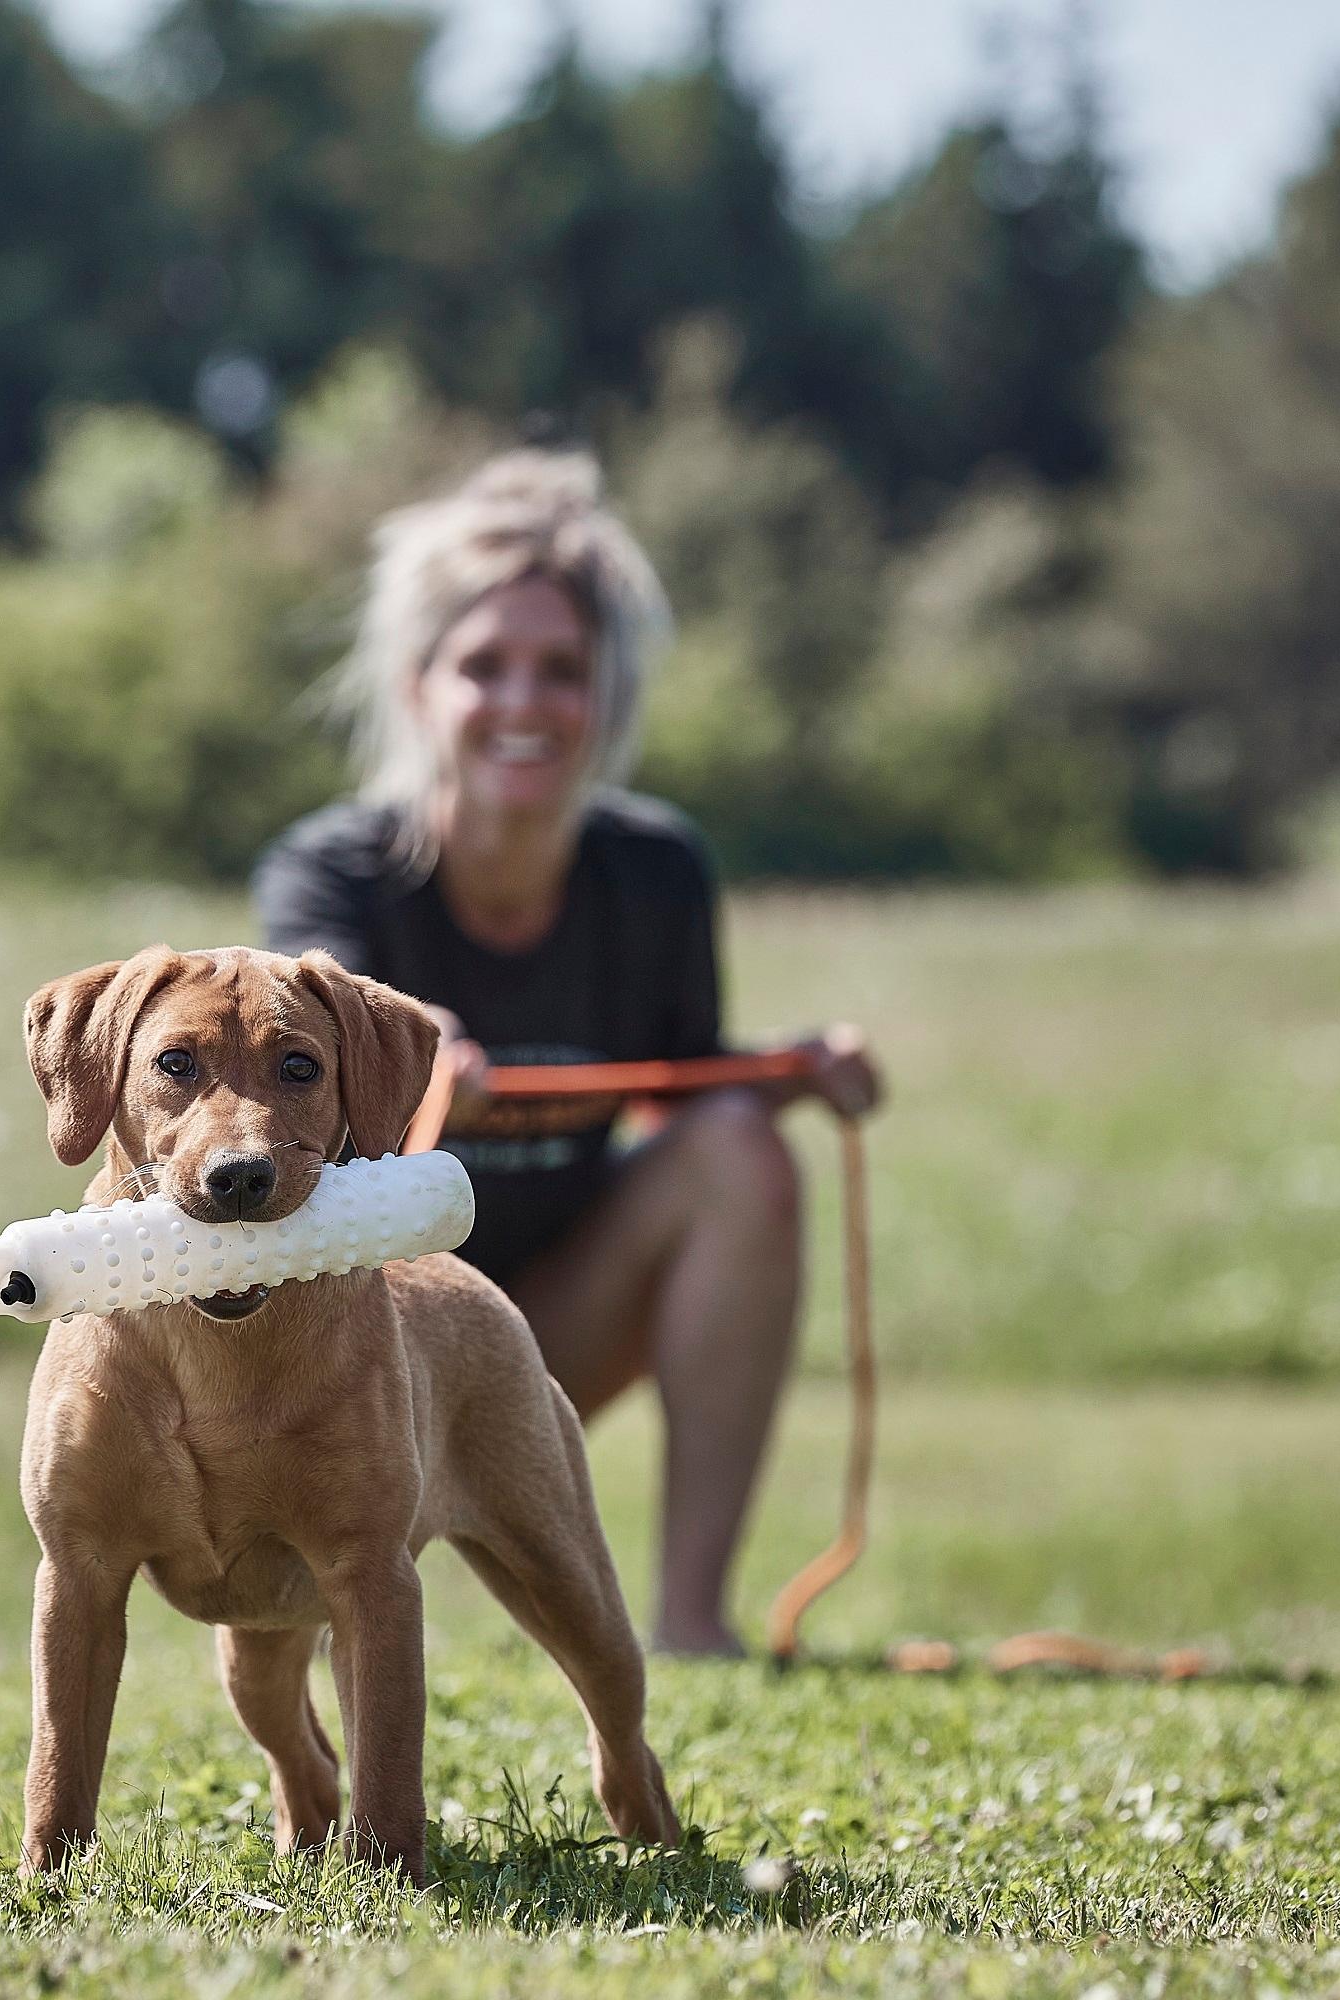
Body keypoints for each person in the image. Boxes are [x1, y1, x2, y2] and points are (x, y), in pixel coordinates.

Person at [254, 449, 881, 1657]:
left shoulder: (657, 871)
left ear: (607, 694)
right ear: (419, 685)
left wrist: (786, 1073)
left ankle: (692, 1626)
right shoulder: (327, 869)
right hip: (362, 1343)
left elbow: (678, 1092)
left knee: (745, 1152)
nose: (523, 702)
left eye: (562, 669)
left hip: (533, 1340)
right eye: (483, 665)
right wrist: (419, 1058)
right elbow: (298, 1070)